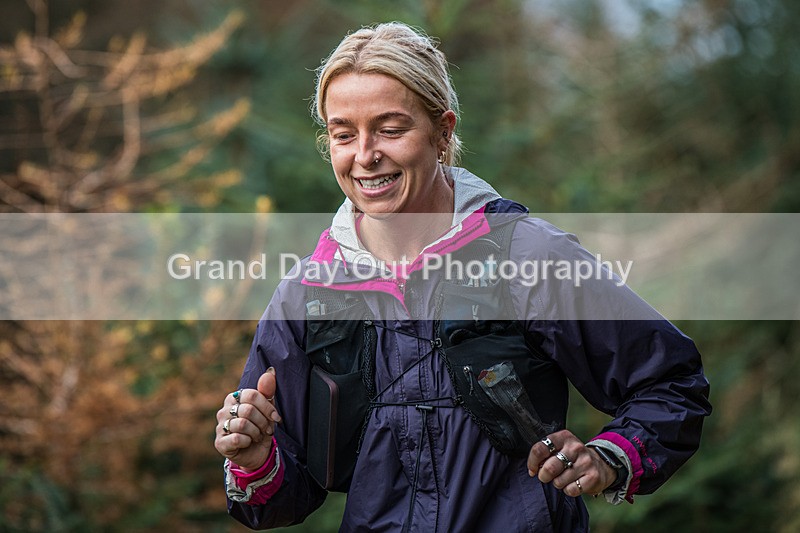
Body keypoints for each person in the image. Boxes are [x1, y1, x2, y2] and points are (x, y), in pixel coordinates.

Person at [214, 22, 711, 532]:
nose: (364, 155)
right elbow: (281, 499)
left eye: (390, 129)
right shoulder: (307, 294)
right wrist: (254, 458)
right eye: (344, 135)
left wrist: (608, 458)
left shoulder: (530, 257)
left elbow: (671, 385)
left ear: (443, 131)